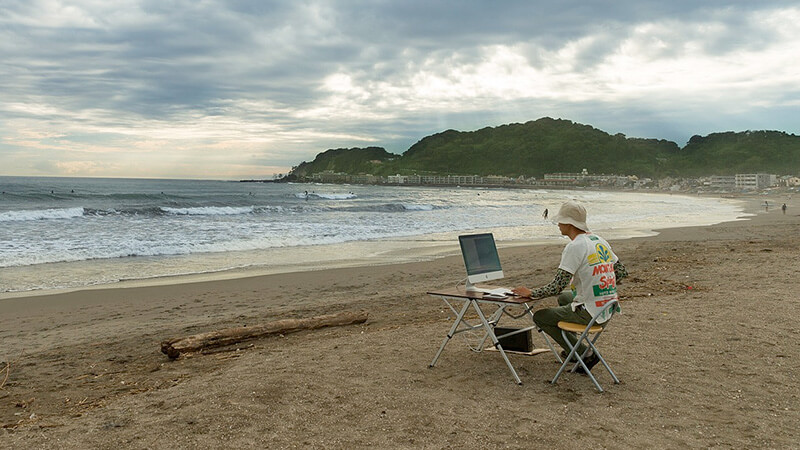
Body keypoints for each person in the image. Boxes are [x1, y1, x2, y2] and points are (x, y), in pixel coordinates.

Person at [512, 200, 628, 373]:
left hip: (591, 313)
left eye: (561, 221)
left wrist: (531, 293)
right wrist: (594, 282)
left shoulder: (575, 246)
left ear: (569, 224)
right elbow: (621, 272)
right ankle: (572, 350)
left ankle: (584, 353)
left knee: (541, 317)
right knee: (565, 298)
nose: (558, 224)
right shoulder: (599, 240)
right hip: (608, 308)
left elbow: (557, 286)